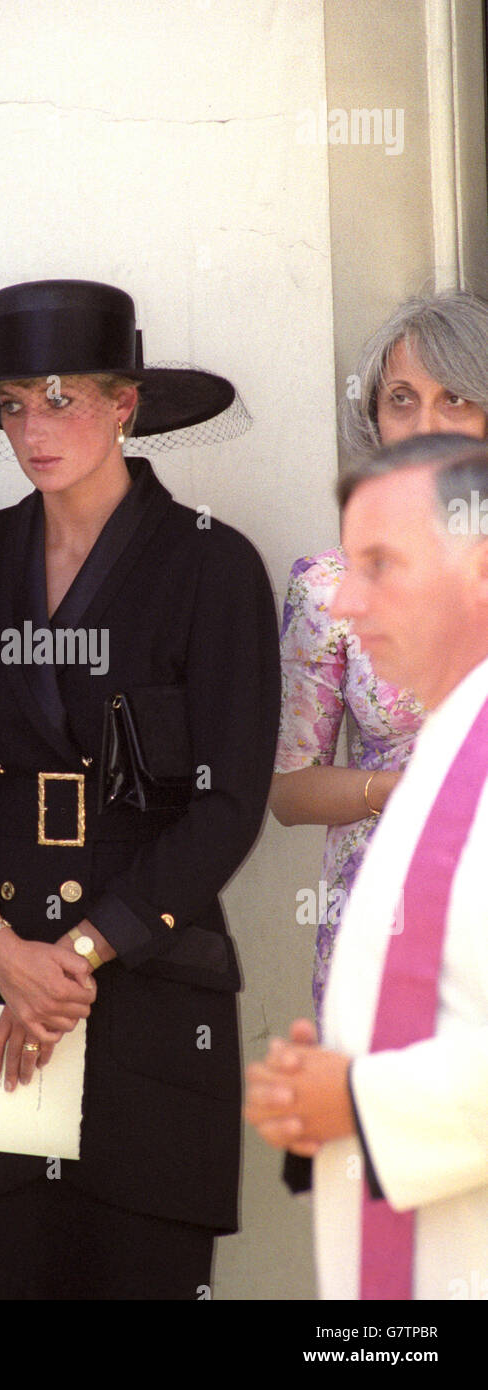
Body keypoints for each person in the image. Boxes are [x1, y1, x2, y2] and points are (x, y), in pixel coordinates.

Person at [0, 278, 280, 1300]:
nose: (32, 427)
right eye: (13, 402)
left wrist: (76, 952)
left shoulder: (212, 568)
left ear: (124, 405)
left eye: (59, 398)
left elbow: (226, 803)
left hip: (148, 991)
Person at [246, 431, 488, 1301]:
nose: (342, 602)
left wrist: (358, 1100)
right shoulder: (446, 751)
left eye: (380, 565)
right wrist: (325, 1076)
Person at [271, 291, 488, 1012]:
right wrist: (400, 793)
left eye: (454, 398)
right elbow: (289, 789)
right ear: (373, 419)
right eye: (402, 399)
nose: (426, 424)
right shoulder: (330, 588)